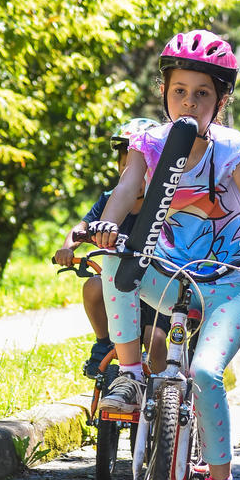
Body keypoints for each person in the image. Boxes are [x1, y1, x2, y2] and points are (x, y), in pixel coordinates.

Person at [89, 29, 240, 480]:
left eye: (202, 93)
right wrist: (107, 225)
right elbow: (126, 190)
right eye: (179, 90)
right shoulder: (149, 144)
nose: (189, 102)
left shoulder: (230, 148)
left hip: (228, 282)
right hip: (165, 274)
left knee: (204, 373)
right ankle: (130, 375)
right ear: (164, 92)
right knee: (112, 259)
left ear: (221, 101)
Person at [53, 118, 169, 377]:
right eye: (126, 165)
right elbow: (81, 228)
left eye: (142, 167)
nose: (132, 173)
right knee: (93, 286)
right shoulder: (109, 200)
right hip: (119, 285)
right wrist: (67, 248)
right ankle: (103, 342)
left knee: (155, 342)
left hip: (156, 286)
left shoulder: (164, 205)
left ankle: (163, 390)